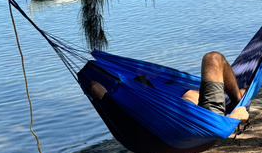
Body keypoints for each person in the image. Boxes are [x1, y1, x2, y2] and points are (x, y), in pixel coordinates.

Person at [88, 51, 249, 122]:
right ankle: (237, 98)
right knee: (213, 58)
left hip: (187, 107)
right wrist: (235, 116)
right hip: (204, 118)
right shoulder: (132, 111)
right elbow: (93, 84)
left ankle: (238, 95)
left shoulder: (124, 106)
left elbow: (93, 83)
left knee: (191, 93)